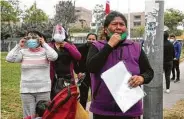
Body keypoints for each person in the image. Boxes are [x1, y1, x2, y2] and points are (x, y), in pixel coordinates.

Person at [86, 11, 154, 119]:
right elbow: (91, 68)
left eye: (122, 24)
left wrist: (141, 78)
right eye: (114, 24)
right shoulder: (97, 46)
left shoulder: (135, 47)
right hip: (102, 110)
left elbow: (149, 72)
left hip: (130, 110)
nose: (118, 27)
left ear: (126, 28)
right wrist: (109, 46)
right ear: (105, 29)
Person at [6, 30, 58, 118]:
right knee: (29, 116)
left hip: (43, 90)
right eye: (29, 38)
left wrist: (44, 44)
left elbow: (54, 56)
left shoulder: (45, 52)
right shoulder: (23, 52)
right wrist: (19, 46)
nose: (31, 40)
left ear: (40, 39)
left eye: (34, 37)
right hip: (26, 90)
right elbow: (9, 58)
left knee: (44, 115)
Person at [49, 24, 81, 100]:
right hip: (54, 78)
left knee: (68, 99)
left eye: (60, 32)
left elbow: (78, 56)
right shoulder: (49, 45)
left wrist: (67, 46)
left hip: (68, 78)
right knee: (55, 100)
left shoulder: (70, 45)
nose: (59, 35)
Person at [74, 33, 97, 109]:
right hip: (83, 76)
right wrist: (78, 72)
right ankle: (82, 114)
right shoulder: (80, 48)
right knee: (83, 97)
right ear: (86, 39)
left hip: (95, 75)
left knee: (96, 96)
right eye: (89, 39)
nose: (91, 41)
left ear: (96, 40)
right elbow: (74, 61)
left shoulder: (99, 48)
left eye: (93, 39)